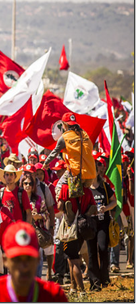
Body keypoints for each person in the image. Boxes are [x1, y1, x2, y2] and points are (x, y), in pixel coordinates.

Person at [0, 222, 67, 302]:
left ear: (37, 260)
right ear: (5, 261)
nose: (24, 266)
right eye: (17, 259)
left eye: (29, 258)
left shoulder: (54, 295)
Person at [56, 175, 97, 296]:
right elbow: (94, 209)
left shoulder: (65, 188)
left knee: (73, 260)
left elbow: (59, 207)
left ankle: (82, 290)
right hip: (82, 227)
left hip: (70, 229)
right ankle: (73, 288)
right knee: (73, 258)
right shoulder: (88, 191)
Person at [87, 156, 117, 291]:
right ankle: (94, 281)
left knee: (103, 248)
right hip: (90, 224)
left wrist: (106, 208)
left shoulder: (104, 186)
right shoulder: (86, 188)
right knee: (91, 252)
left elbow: (114, 201)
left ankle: (104, 278)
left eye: (96, 167)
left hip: (103, 223)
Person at [43, 113, 96, 186]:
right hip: (91, 173)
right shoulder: (84, 134)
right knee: (85, 195)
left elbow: (55, 152)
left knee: (59, 188)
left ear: (64, 125)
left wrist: (46, 163)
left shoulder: (65, 137)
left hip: (77, 174)